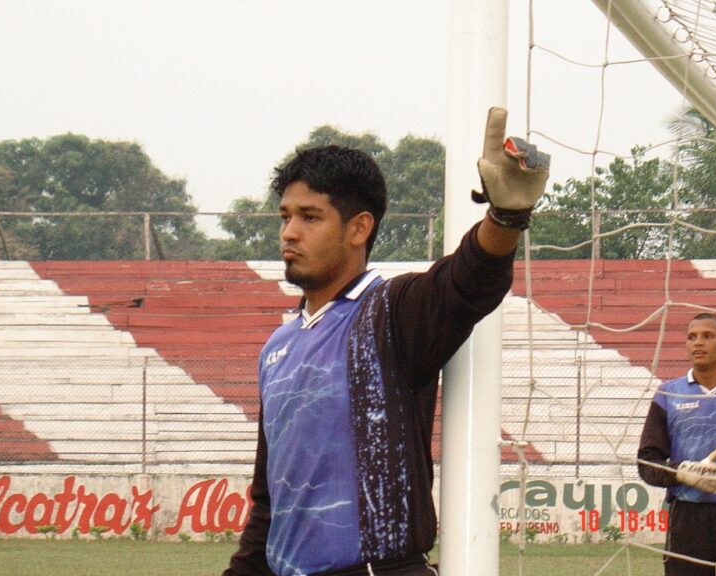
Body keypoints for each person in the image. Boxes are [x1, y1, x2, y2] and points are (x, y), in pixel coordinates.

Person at [222, 107, 550, 576]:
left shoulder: (390, 311)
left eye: (310, 217)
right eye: (286, 215)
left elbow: (467, 281)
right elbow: (270, 500)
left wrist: (506, 216)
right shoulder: (277, 347)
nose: (289, 232)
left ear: (359, 228)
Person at [637, 313, 716, 576]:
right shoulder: (668, 394)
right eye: (692, 337)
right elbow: (646, 462)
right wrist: (683, 472)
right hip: (688, 517)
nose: (698, 343)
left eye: (708, 336)